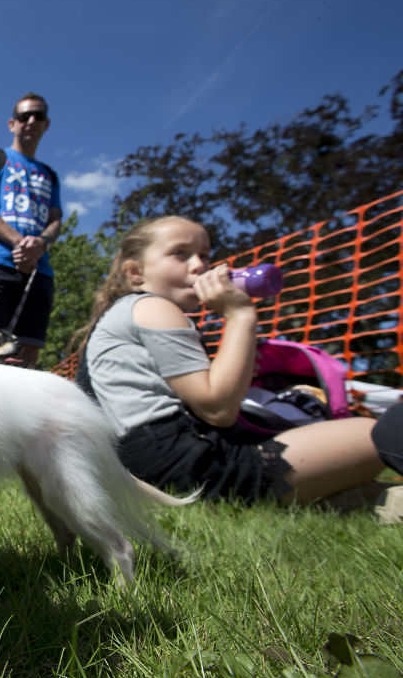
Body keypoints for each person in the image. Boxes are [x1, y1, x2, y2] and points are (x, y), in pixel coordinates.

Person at [77, 215, 402, 517]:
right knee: (374, 433)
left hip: (140, 464)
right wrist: (240, 315)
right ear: (136, 272)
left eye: (205, 255)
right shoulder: (153, 306)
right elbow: (217, 407)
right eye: (180, 254)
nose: (199, 266)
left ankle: (357, 500)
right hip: (179, 464)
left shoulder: (124, 313)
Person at [0, 93, 62, 367]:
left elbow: (56, 219)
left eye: (38, 116)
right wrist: (22, 243)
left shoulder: (50, 174)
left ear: (46, 124)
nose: (31, 121)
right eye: (24, 116)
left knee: (27, 352)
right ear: (12, 123)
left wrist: (41, 244)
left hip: (38, 271)